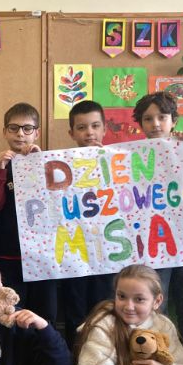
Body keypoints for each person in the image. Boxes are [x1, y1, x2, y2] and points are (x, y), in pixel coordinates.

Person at [132, 92, 183, 342]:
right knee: (159, 300)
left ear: (173, 121)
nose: (155, 124)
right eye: (148, 119)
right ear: (141, 123)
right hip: (152, 242)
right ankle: (160, 351)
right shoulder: (132, 153)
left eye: (162, 117)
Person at [0, 102, 58, 332]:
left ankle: (44, 351)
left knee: (45, 311)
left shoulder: (49, 162)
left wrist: (39, 163)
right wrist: (0, 169)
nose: (20, 134)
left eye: (27, 129)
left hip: (42, 253)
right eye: (14, 128)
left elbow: (55, 203)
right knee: (10, 311)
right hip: (7, 252)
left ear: (37, 132)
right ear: (4, 132)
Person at [61, 100, 115, 349]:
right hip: (75, 254)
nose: (89, 133)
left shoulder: (119, 163)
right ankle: (76, 360)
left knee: (106, 310)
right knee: (75, 311)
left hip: (109, 253)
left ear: (104, 128)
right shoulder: (59, 165)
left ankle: (107, 358)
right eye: (81, 127)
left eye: (95, 126)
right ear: (71, 133)